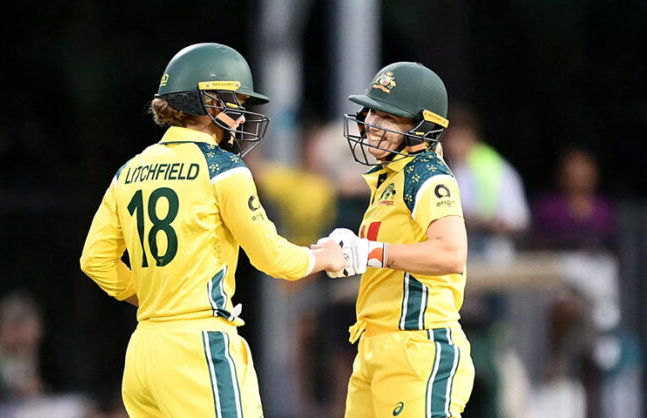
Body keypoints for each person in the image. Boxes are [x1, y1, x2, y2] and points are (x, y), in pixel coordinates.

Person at [80, 43, 345, 418]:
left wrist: (156, 298)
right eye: (237, 103)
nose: (240, 116)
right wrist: (325, 257)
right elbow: (274, 259)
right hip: (199, 348)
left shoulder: (130, 170)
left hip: (143, 353)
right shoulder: (223, 168)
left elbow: (95, 261)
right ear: (211, 103)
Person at [320, 62, 475, 417]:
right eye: (372, 112)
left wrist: (370, 252)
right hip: (376, 345)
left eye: (388, 117)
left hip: (417, 344)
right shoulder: (390, 176)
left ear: (423, 128)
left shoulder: (427, 174)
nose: (372, 124)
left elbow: (452, 254)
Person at [442, 105, 529, 260]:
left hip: (491, 254)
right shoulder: (435, 167)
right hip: (448, 252)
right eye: (451, 138)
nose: (454, 145)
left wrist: (486, 222)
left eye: (461, 138)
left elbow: (518, 219)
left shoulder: (496, 169)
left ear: (474, 137)